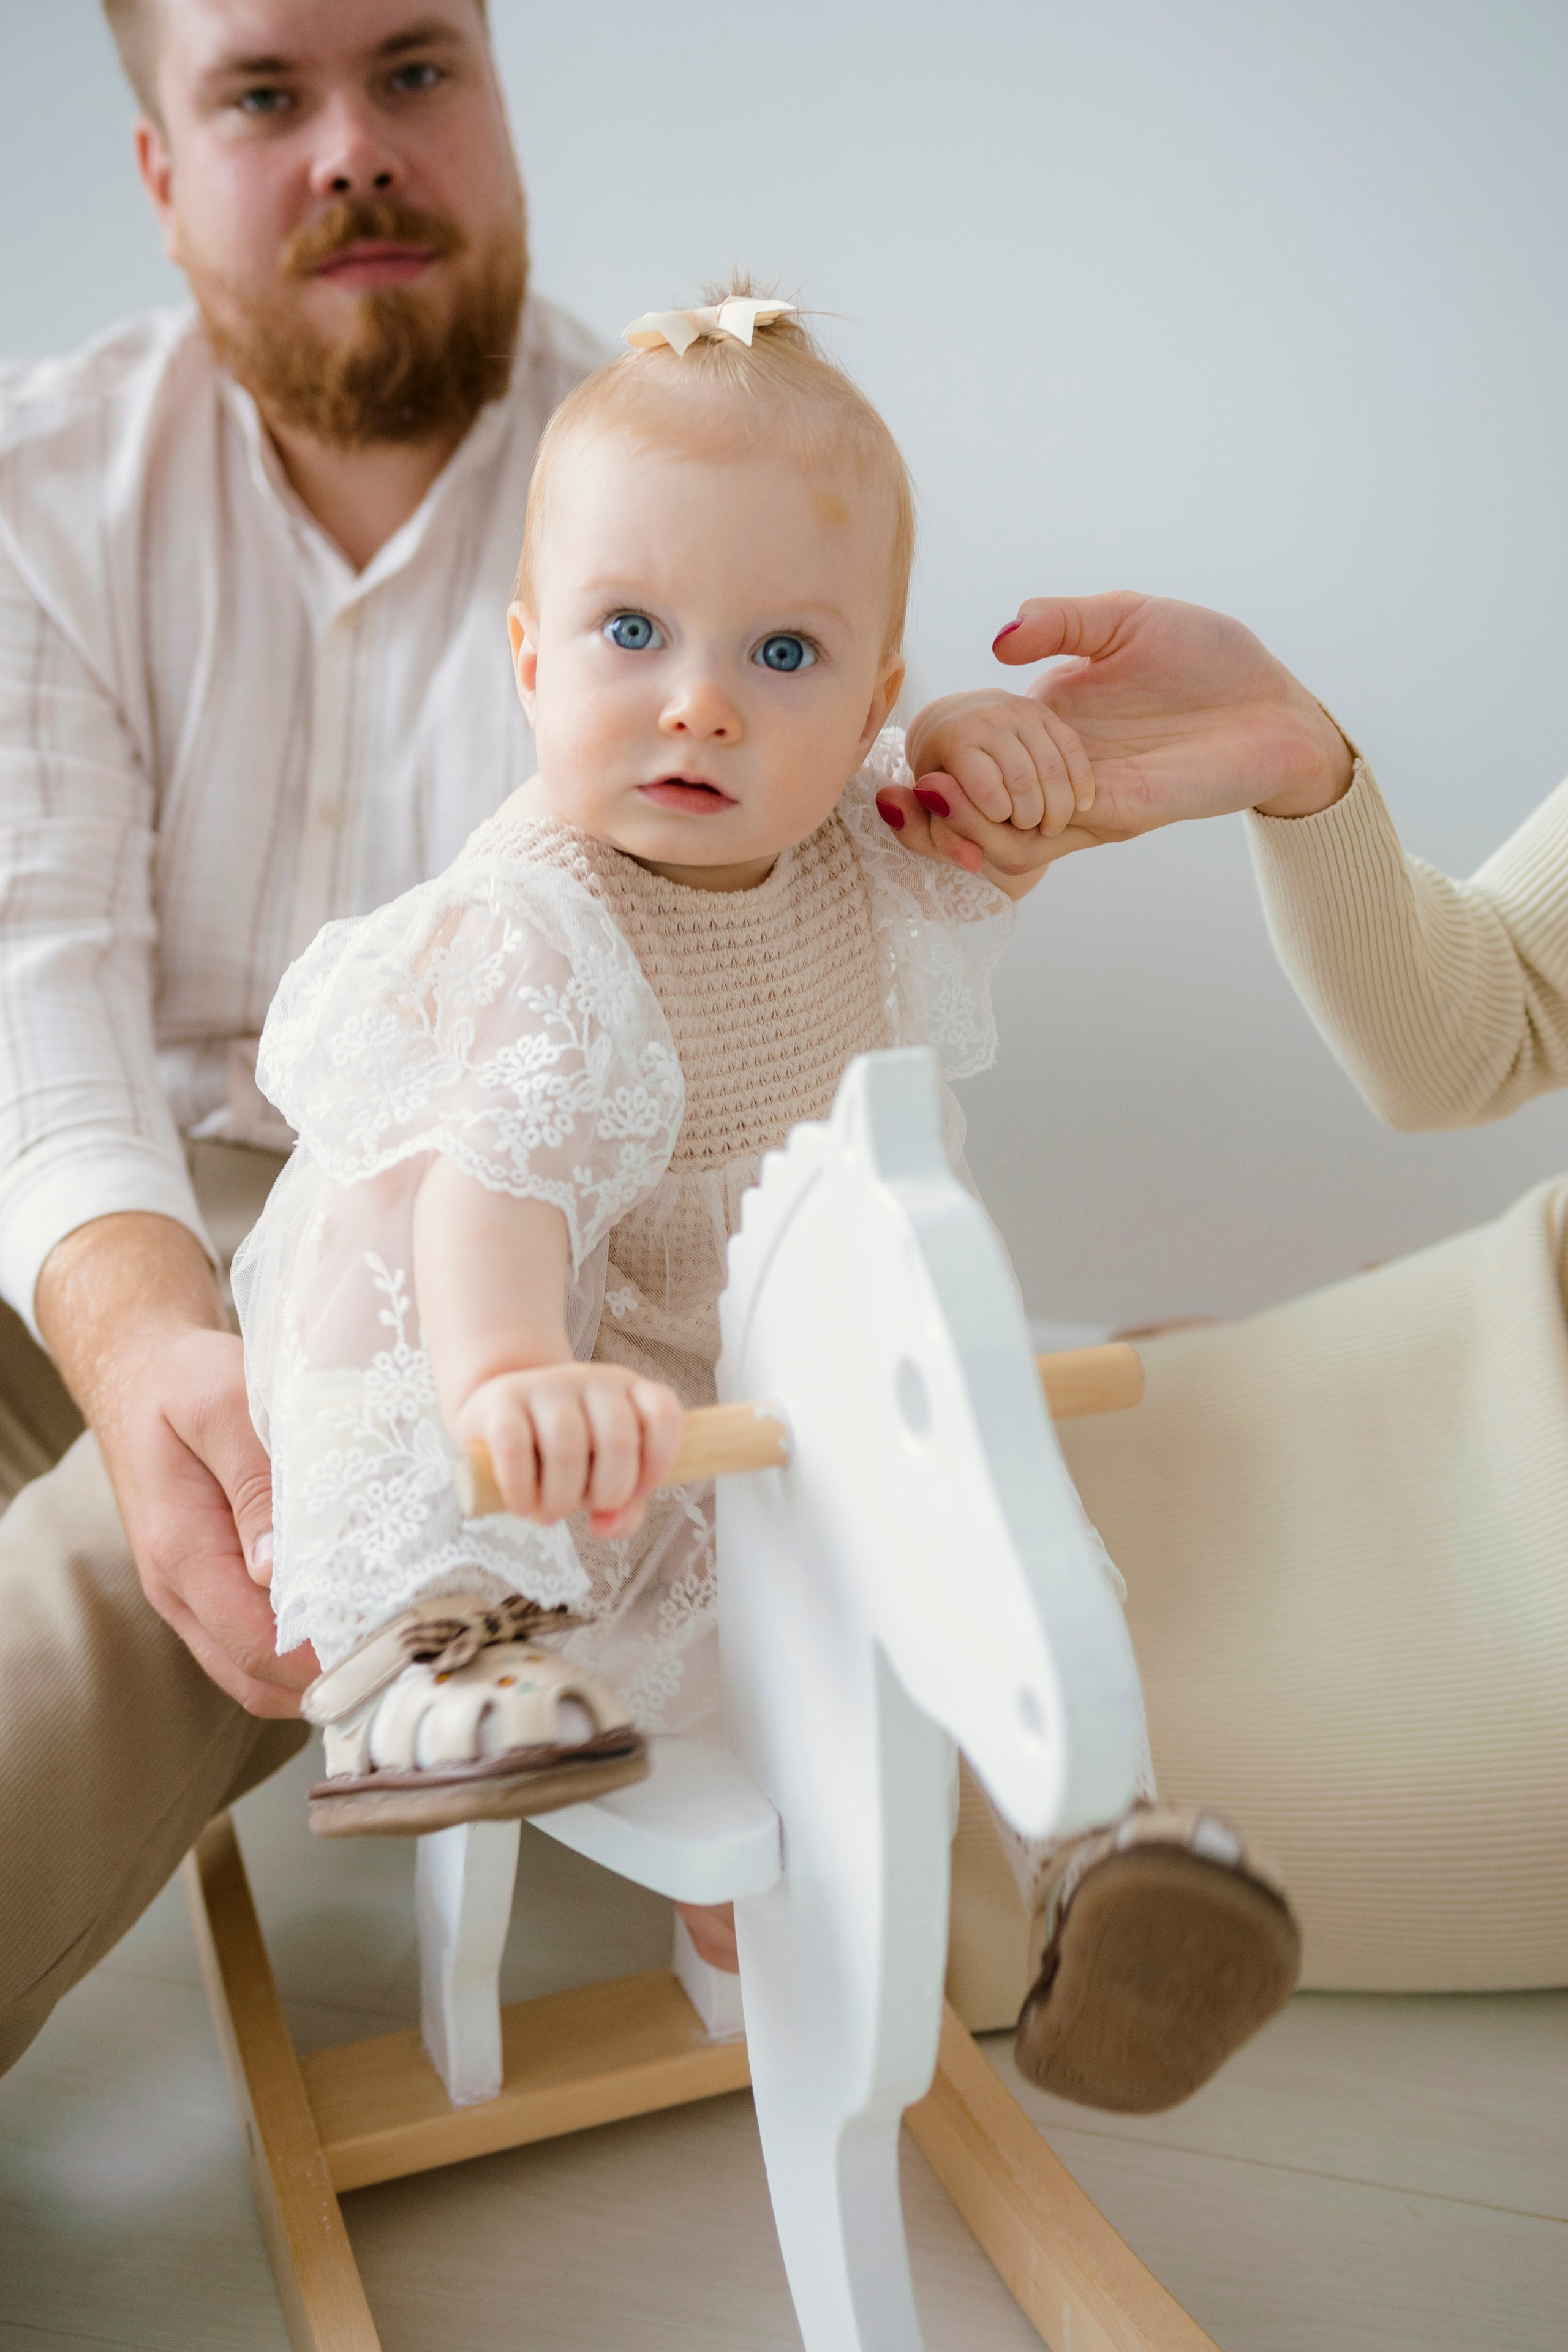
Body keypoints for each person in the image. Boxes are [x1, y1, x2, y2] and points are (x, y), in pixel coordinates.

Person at [225, 294, 1302, 2113]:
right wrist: (507, 1379)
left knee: (974, 1554)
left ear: (871, 703)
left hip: (761, 1375)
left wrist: (1007, 767)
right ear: (530, 662)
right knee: (541, 1493)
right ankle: (427, 1666)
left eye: (787, 653)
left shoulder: (847, 856)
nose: (703, 699)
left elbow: (986, 835)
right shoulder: (536, 927)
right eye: (631, 630)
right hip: (554, 1357)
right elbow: (486, 1213)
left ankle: (1097, 1862)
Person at [0, 0, 622, 2079]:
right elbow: (35, 974)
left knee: (124, 1574)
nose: (356, 146)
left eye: (417, 69)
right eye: (267, 94)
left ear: (505, 104)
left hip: (431, 1256)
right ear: (166, 174)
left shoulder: (680, 499)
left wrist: (207, 1377)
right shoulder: (41, 487)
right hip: (89, 1213)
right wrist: (137, 1329)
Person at [893, 592, 1568, 1992]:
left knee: (972, 1793)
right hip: (1492, 1338)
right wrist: (1299, 770)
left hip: (1534, 1637)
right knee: (919, 1514)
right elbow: (1470, 1034)